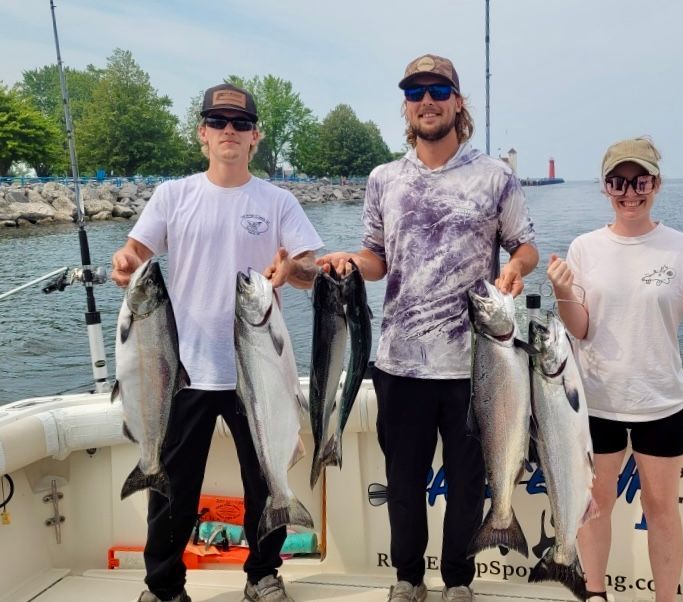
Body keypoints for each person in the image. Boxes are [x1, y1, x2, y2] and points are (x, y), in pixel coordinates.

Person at [318, 54, 539, 602]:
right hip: (398, 362)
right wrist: (350, 261)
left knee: (468, 484)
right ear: (406, 107)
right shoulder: (383, 179)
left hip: (476, 365)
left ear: (458, 102)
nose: (427, 100)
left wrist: (515, 267)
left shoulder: (496, 177)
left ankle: (459, 582)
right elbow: (377, 259)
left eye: (439, 89)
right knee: (404, 484)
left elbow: (526, 245)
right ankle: (408, 580)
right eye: (416, 92)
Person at [110, 82, 323, 602]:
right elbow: (138, 249)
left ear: (256, 137)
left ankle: (263, 575)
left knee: (265, 480)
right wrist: (126, 260)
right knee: (171, 487)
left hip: (259, 370)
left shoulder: (277, 200)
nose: (230, 131)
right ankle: (163, 586)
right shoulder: (173, 195)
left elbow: (313, 269)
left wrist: (292, 266)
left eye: (241, 124)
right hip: (182, 368)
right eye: (219, 122)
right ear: (202, 133)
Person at [546, 137, 683, 602]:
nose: (629, 192)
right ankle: (596, 593)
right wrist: (563, 292)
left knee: (662, 508)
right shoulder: (584, 247)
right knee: (594, 505)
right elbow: (579, 329)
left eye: (640, 180)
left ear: (657, 183)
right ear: (604, 187)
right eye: (617, 182)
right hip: (595, 401)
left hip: (660, 402)